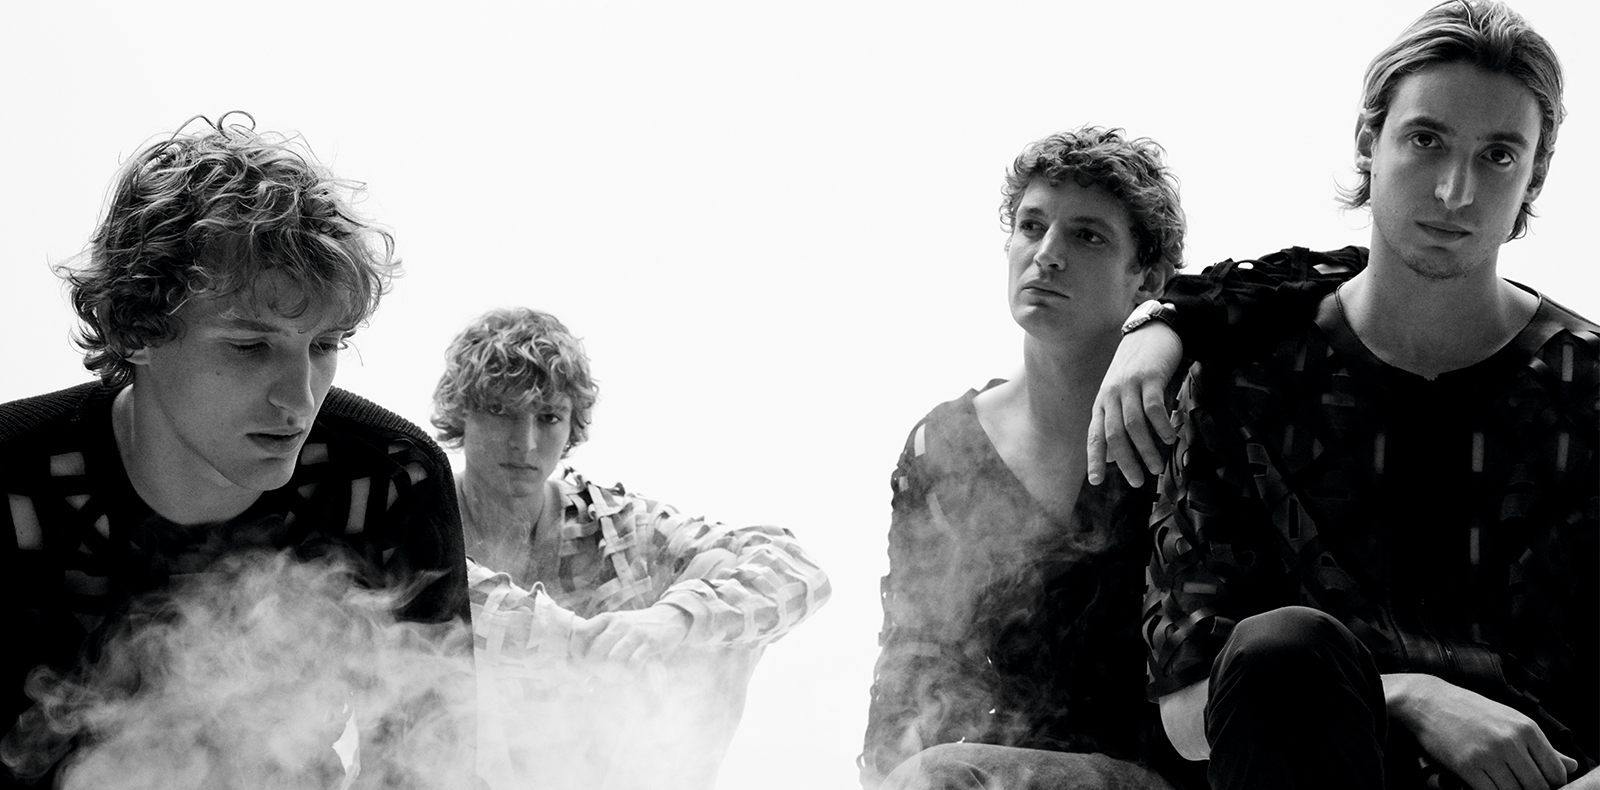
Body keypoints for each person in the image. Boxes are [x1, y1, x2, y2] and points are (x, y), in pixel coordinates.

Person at [1091, 3, 1598, 788]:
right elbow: (1190, 709)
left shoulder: (1586, 392)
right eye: (1426, 140)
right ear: (1369, 140)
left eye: (1498, 155)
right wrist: (1404, 696)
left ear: (1534, 175)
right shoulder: (1248, 378)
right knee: (1282, 647)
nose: (1455, 192)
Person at [0, 115, 470, 788]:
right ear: (132, 329)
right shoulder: (14, 478)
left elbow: (433, 765)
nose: (299, 400)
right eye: (251, 346)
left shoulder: (390, 479)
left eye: (325, 345)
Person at [860, 126, 1204, 790]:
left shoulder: (1189, 423)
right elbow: (914, 654)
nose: (1046, 255)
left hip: (1170, 773)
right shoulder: (944, 444)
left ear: (1148, 278)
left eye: (1088, 236)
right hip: (1001, 772)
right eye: (1032, 226)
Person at [431, 307, 832, 790]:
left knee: (717, 568)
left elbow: (798, 570)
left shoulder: (606, 522)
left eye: (549, 417)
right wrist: (576, 641)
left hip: (609, 771)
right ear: (463, 413)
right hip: (443, 769)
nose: (526, 442)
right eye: (502, 412)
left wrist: (671, 621)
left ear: (571, 425)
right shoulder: (420, 513)